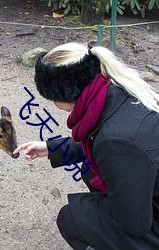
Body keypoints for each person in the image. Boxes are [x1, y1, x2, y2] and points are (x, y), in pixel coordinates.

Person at [13, 42, 159, 250]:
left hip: (150, 221)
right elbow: (101, 138)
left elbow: (134, 224)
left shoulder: (116, 142)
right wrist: (51, 148)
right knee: (90, 171)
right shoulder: (118, 88)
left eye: (52, 97)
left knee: (71, 218)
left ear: (64, 94)